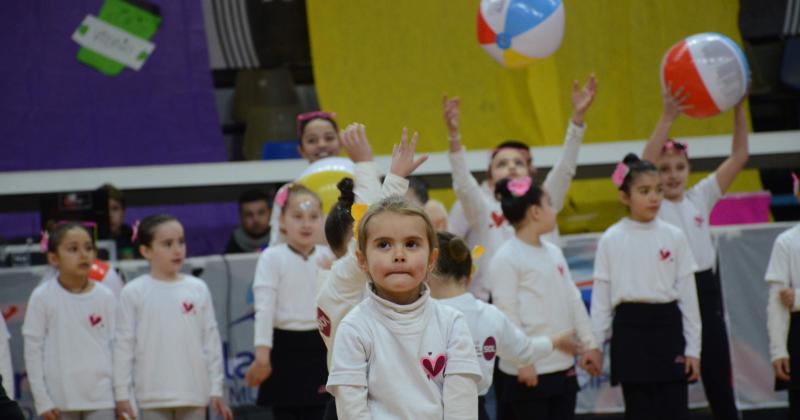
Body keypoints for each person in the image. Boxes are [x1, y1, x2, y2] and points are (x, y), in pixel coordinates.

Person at [642, 85, 749, 419]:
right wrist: (667, 117)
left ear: (688, 170)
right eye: (664, 169)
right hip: (671, 291)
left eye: (679, 168)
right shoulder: (653, 206)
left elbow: (740, 156)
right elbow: (642, 162)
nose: (672, 176)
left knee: (718, 376)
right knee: (674, 381)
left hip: (705, 288)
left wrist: (738, 110)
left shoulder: (700, 196)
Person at [442, 75, 597, 300]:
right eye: (502, 164)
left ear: (529, 172)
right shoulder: (483, 210)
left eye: (518, 163)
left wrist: (577, 119)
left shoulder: (544, 201)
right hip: (495, 303)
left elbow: (565, 169)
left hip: (544, 300)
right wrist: (454, 136)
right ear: (490, 178)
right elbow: (464, 185)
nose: (512, 167)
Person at [327, 196, 482, 419]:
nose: (399, 255)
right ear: (362, 260)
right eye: (384, 245)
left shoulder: (452, 322)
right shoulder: (353, 328)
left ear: (432, 258)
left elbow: (462, 407)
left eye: (411, 244)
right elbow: (352, 411)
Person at [316, 124, 423, 420]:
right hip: (356, 406)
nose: (392, 250)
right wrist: (369, 165)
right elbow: (370, 228)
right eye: (383, 243)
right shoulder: (339, 281)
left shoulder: (356, 280)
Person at [591, 154, 701, 420]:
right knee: (639, 410)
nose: (654, 198)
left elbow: (688, 297)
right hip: (630, 331)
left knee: (675, 410)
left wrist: (693, 350)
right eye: (644, 191)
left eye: (658, 190)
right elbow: (602, 300)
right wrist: (594, 344)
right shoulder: (611, 239)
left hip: (668, 327)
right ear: (625, 197)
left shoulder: (674, 236)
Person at [429, 231, 582, 420]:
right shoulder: (489, 315)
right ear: (470, 275)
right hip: (476, 411)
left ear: (428, 270)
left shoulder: (419, 315)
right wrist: (555, 341)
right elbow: (524, 351)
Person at [489, 177, 600, 420]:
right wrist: (522, 362)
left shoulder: (554, 251)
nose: (555, 210)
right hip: (530, 370)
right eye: (550, 204)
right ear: (535, 212)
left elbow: (573, 299)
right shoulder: (506, 257)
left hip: (562, 364)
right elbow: (506, 314)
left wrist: (589, 343)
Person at [114, 215, 232, 420]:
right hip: (151, 395)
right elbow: (124, 346)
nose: (177, 250)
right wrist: (122, 393)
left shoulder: (197, 288)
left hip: (193, 393)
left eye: (181, 242)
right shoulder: (133, 292)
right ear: (146, 251)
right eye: (167, 244)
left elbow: (211, 342)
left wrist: (216, 388)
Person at [246, 185, 334, 419]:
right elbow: (264, 309)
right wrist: (262, 356)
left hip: (321, 346)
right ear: (282, 220)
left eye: (313, 217)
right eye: (297, 216)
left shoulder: (329, 257)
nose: (306, 224)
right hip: (283, 348)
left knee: (322, 412)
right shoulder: (272, 258)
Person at [23, 222, 117, 420]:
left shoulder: (106, 296)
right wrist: (42, 400)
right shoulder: (42, 297)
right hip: (59, 401)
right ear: (53, 258)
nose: (84, 255)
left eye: (88, 248)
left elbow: (118, 348)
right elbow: (33, 351)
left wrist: (124, 396)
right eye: (73, 249)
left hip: (103, 399)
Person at [270, 111, 344, 246]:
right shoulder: (287, 193)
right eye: (312, 140)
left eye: (329, 138)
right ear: (301, 150)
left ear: (340, 143)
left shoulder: (359, 181)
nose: (322, 144)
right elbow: (277, 242)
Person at [765, 180, 800, 417]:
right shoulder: (786, 242)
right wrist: (778, 350)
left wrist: (797, 297)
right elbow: (776, 303)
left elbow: (791, 298)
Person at [225, 189, 272, 253]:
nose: (256, 220)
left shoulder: (281, 239)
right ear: (241, 217)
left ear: (270, 213)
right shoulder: (236, 241)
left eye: (261, 213)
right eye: (249, 214)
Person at [98, 184, 135, 260]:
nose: (110, 215)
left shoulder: (133, 237)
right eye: (104, 209)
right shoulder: (88, 240)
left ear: (123, 212)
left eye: (115, 209)